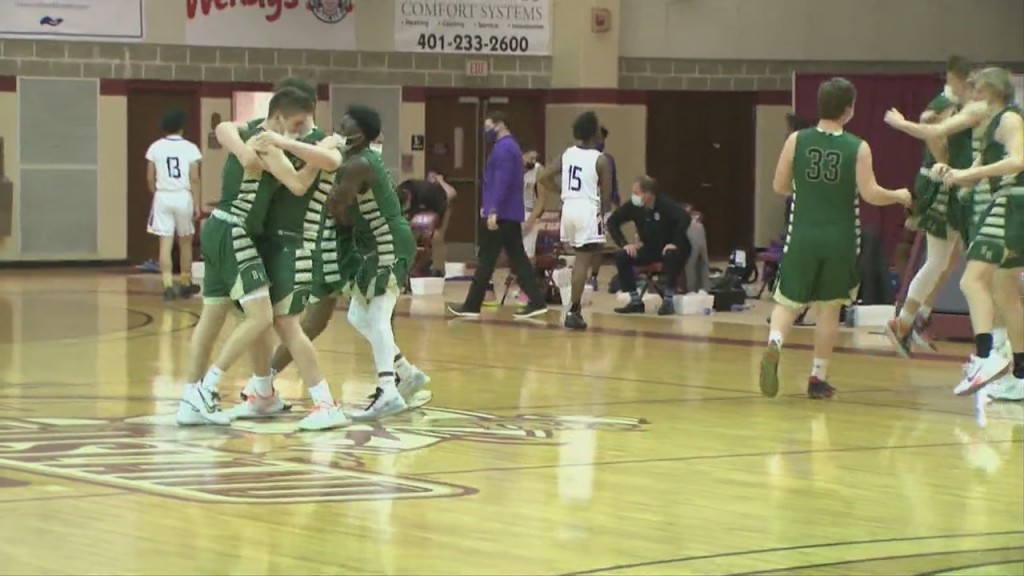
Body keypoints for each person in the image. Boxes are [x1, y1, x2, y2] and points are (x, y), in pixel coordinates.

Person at [176, 87, 322, 428]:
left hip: (216, 227)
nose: (301, 131)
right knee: (261, 317)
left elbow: (224, 127)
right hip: (235, 231)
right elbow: (299, 185)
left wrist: (241, 148)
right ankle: (206, 389)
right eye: (298, 124)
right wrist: (319, 156)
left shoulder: (249, 132)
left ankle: (191, 397)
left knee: (213, 315)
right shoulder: (269, 143)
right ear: (279, 118)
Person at [760, 77, 912, 399]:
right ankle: (817, 378)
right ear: (848, 109)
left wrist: (804, 191)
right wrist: (898, 195)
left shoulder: (797, 140)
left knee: (787, 302)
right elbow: (871, 194)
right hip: (841, 238)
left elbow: (779, 186)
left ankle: (774, 342)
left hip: (802, 233)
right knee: (828, 310)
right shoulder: (858, 146)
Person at [884, 68, 1021, 395]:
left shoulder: (1008, 120)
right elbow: (976, 164)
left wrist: (904, 124)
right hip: (998, 202)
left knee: (971, 279)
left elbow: (1018, 161)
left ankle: (986, 355)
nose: (971, 99)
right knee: (1005, 291)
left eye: (976, 93)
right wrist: (958, 175)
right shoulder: (990, 127)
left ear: (989, 95)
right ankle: (1018, 376)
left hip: (1010, 205)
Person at [884, 56, 975, 356]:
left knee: (947, 260)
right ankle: (905, 321)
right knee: (939, 260)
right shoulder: (943, 103)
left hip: (955, 183)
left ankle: (916, 318)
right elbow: (928, 126)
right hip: (940, 184)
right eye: (966, 81)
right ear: (955, 78)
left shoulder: (965, 106)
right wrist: (946, 165)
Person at [447, 111, 550, 320]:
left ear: (500, 125)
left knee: (487, 259)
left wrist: (492, 209)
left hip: (502, 214)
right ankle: (537, 301)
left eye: (488, 126)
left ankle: (472, 304)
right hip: (510, 212)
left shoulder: (503, 150)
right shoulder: (512, 148)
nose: (486, 131)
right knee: (517, 258)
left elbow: (500, 182)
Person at [537, 111, 612, 329]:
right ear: (595, 132)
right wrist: (602, 215)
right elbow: (606, 196)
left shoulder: (567, 154)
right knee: (582, 262)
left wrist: (561, 190)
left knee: (577, 259)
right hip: (587, 209)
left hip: (568, 208)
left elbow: (542, 176)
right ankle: (573, 310)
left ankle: (573, 307)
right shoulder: (600, 159)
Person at [607, 176, 691, 316]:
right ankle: (635, 301)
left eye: (637, 193)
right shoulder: (634, 207)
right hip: (649, 247)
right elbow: (613, 221)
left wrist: (675, 242)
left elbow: (684, 218)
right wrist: (624, 244)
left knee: (671, 256)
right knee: (622, 256)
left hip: (670, 247)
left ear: (649, 194)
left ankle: (668, 301)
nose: (634, 196)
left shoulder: (664, 204)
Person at [145, 109, 202, 300]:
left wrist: (158, 194)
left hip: (163, 196)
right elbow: (194, 178)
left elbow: (150, 178)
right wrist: (196, 203)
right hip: (183, 195)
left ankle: (168, 285)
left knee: (165, 243)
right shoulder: (190, 148)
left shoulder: (155, 147)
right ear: (181, 127)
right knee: (185, 241)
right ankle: (185, 282)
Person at [397, 169, 454, 276]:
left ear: (409, 197)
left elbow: (442, 207)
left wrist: (432, 228)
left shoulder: (427, 192)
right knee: (409, 235)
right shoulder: (398, 193)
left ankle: (438, 269)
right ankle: (411, 266)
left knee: (436, 237)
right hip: (418, 213)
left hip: (440, 207)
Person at [586, 127, 620, 291]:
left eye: (603, 139)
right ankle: (580, 275)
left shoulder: (608, 159)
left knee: (597, 244)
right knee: (583, 244)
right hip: (584, 206)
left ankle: (593, 276)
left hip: (602, 208)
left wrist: (616, 199)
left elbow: (614, 181)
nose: (600, 142)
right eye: (598, 138)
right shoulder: (582, 158)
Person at [520, 148, 543, 260]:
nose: (533, 162)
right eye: (530, 158)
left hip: (530, 211)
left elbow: (542, 199)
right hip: (514, 211)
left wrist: (532, 218)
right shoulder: (512, 167)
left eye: (535, 158)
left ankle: (528, 275)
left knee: (528, 253)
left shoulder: (538, 170)